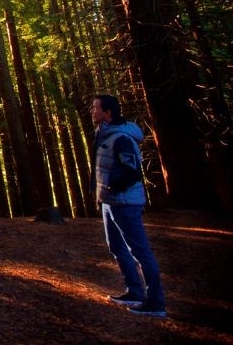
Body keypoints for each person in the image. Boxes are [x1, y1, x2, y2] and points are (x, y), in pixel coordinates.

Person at [90, 93, 166, 318]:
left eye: (95, 108)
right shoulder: (103, 133)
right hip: (109, 202)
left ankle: (155, 303)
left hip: (124, 203)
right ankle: (134, 291)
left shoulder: (122, 137)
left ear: (108, 112)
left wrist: (112, 186)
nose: (92, 111)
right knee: (117, 247)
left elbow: (132, 170)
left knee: (140, 252)